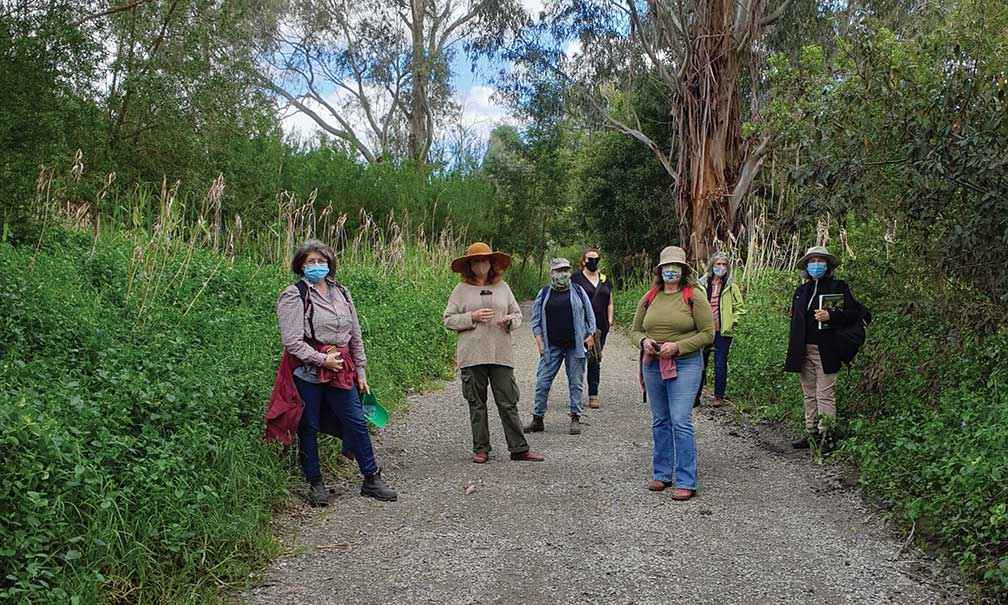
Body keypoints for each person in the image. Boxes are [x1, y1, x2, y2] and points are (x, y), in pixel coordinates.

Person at [274, 239, 397, 505]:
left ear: (330, 264)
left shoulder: (341, 292)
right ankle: (315, 482)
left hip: (342, 368)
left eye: (321, 261)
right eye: (311, 262)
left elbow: (355, 334)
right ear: (301, 266)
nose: (317, 266)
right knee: (309, 424)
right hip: (308, 370)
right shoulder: (294, 295)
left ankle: (371, 478)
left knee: (355, 419)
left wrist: (361, 370)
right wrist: (321, 360)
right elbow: (292, 341)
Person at [443, 242, 545, 463]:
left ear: (492, 263)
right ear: (469, 266)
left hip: (501, 354)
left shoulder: (503, 288)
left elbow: (517, 315)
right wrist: (472, 317)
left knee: (508, 401)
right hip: (472, 355)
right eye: (476, 261)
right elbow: (448, 320)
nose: (481, 265)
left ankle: (519, 448)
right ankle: (481, 448)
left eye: (485, 260)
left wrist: (510, 321)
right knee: (476, 403)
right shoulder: (460, 291)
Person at [629, 245, 713, 501]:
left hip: (685, 364)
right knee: (660, 419)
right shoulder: (651, 296)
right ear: (660, 270)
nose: (671, 271)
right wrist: (643, 342)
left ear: (684, 270)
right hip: (653, 363)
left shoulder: (694, 296)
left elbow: (708, 334)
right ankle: (662, 473)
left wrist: (678, 347)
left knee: (680, 420)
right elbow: (634, 330)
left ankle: (686, 479)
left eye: (675, 267)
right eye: (667, 267)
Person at [784, 245, 865, 452]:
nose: (816, 265)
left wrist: (832, 316)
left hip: (827, 349)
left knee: (825, 394)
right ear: (807, 266)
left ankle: (827, 436)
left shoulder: (838, 287)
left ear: (827, 265)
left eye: (820, 261)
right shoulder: (801, 291)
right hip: (803, 350)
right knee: (809, 394)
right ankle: (811, 432)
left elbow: (856, 313)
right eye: (812, 261)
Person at [526, 258, 597, 435]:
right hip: (552, 347)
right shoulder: (543, 294)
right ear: (551, 273)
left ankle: (575, 417)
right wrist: (540, 342)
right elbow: (535, 321)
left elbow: (590, 316)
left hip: (576, 345)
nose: (562, 274)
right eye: (558, 270)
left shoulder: (579, 291)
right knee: (542, 382)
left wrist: (590, 335)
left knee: (575, 382)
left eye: (565, 270)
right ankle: (537, 419)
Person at [695, 252, 746, 407]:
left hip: (723, 332)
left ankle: (718, 396)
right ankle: (695, 396)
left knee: (720, 364)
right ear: (712, 265)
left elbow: (740, 308)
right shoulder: (701, 284)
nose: (721, 267)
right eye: (718, 264)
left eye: (724, 265)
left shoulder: (732, 287)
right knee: (699, 364)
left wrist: (733, 322)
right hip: (703, 331)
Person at [571, 248, 614, 410]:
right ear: (583, 260)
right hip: (581, 327)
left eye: (596, 259)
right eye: (590, 259)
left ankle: (593, 394)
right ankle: (575, 394)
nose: (593, 262)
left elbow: (610, 300)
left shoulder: (604, 279)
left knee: (595, 359)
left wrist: (610, 320)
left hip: (601, 327)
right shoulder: (576, 278)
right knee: (578, 360)